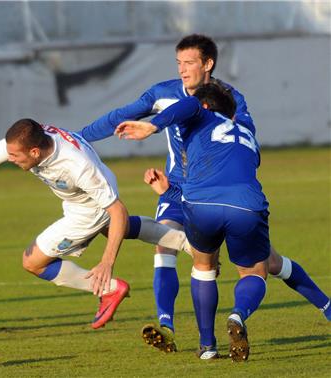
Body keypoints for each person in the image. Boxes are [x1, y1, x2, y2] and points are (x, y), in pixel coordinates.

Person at [79, 34, 330, 353]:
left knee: (267, 262)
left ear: (208, 64)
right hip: (181, 191)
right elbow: (121, 116)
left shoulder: (228, 97)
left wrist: (154, 127)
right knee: (165, 247)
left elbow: (236, 137)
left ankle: (322, 306)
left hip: (204, 190)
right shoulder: (163, 93)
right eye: (178, 63)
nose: (182, 70)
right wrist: (79, 138)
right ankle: (168, 326)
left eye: (189, 63)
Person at [0, 118, 193, 329]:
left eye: (14, 156)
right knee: (116, 229)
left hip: (89, 208)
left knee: (33, 262)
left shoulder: (75, 165)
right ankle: (190, 244)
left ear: (34, 152)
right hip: (90, 190)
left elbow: (117, 211)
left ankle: (109, 288)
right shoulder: (26, 139)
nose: (9, 159)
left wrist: (107, 262)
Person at [115, 82, 270, 361]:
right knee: (255, 273)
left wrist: (153, 126)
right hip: (246, 204)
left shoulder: (200, 112)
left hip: (200, 204)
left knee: (203, 266)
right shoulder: (247, 129)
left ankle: (207, 347)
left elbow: (189, 105)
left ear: (205, 107)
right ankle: (238, 314)